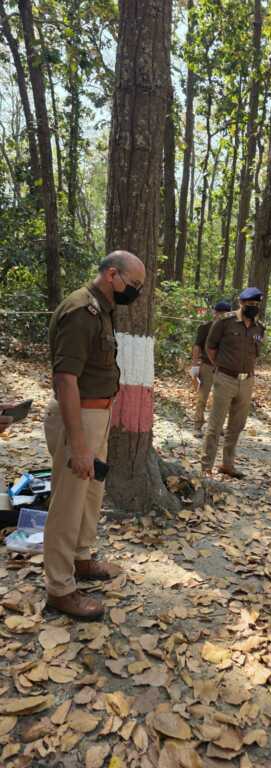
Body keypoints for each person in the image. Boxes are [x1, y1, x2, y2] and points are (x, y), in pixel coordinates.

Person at [44, 250, 146, 620]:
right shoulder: (81, 310)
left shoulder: (103, 311)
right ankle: (59, 588)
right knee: (68, 503)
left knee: (90, 494)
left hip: (96, 415)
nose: (136, 293)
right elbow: (65, 380)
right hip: (77, 418)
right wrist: (79, 443)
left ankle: (81, 558)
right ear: (112, 275)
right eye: (133, 285)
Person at [201, 287, 265, 478]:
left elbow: (255, 354)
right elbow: (210, 347)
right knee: (215, 425)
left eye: (256, 304)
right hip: (225, 378)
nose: (253, 307)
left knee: (237, 425)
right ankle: (206, 466)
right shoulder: (225, 322)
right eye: (250, 303)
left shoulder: (259, 328)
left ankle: (227, 464)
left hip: (247, 381)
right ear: (241, 303)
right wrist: (221, 367)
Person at [191, 300, 232, 437]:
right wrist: (194, 365)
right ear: (214, 313)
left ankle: (217, 426)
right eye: (219, 313)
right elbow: (197, 346)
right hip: (207, 366)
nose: (221, 315)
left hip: (224, 369)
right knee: (202, 397)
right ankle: (197, 425)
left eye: (224, 313)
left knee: (222, 399)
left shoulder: (231, 330)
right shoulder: (205, 327)